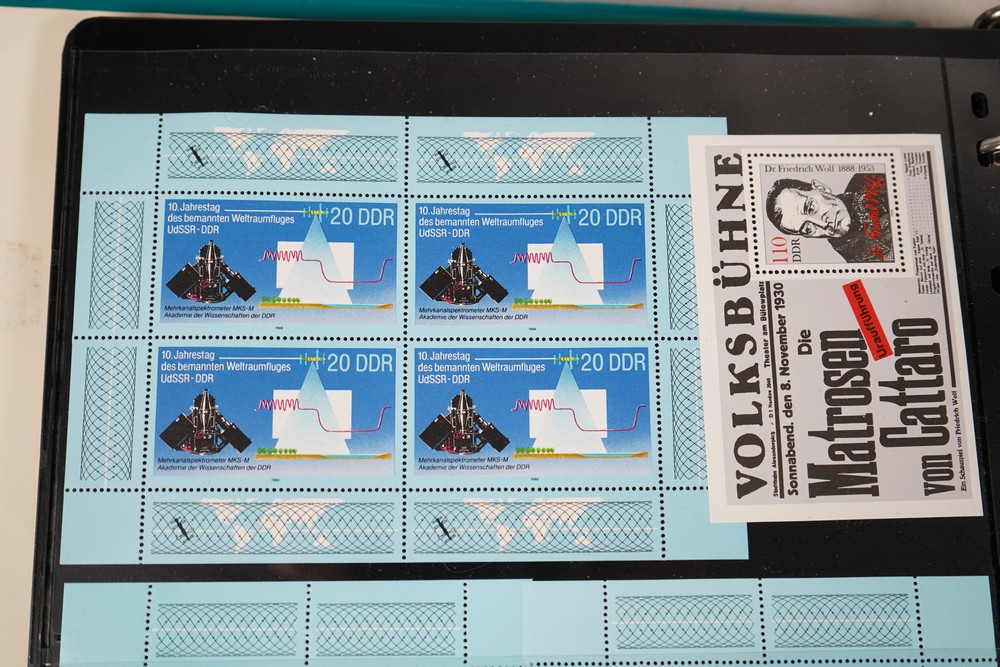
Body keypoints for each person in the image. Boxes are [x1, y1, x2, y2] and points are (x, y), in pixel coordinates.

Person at [764, 173, 892, 263]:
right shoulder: (865, 262)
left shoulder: (867, 177)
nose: (823, 224)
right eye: (807, 228)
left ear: (820, 188)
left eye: (811, 208)